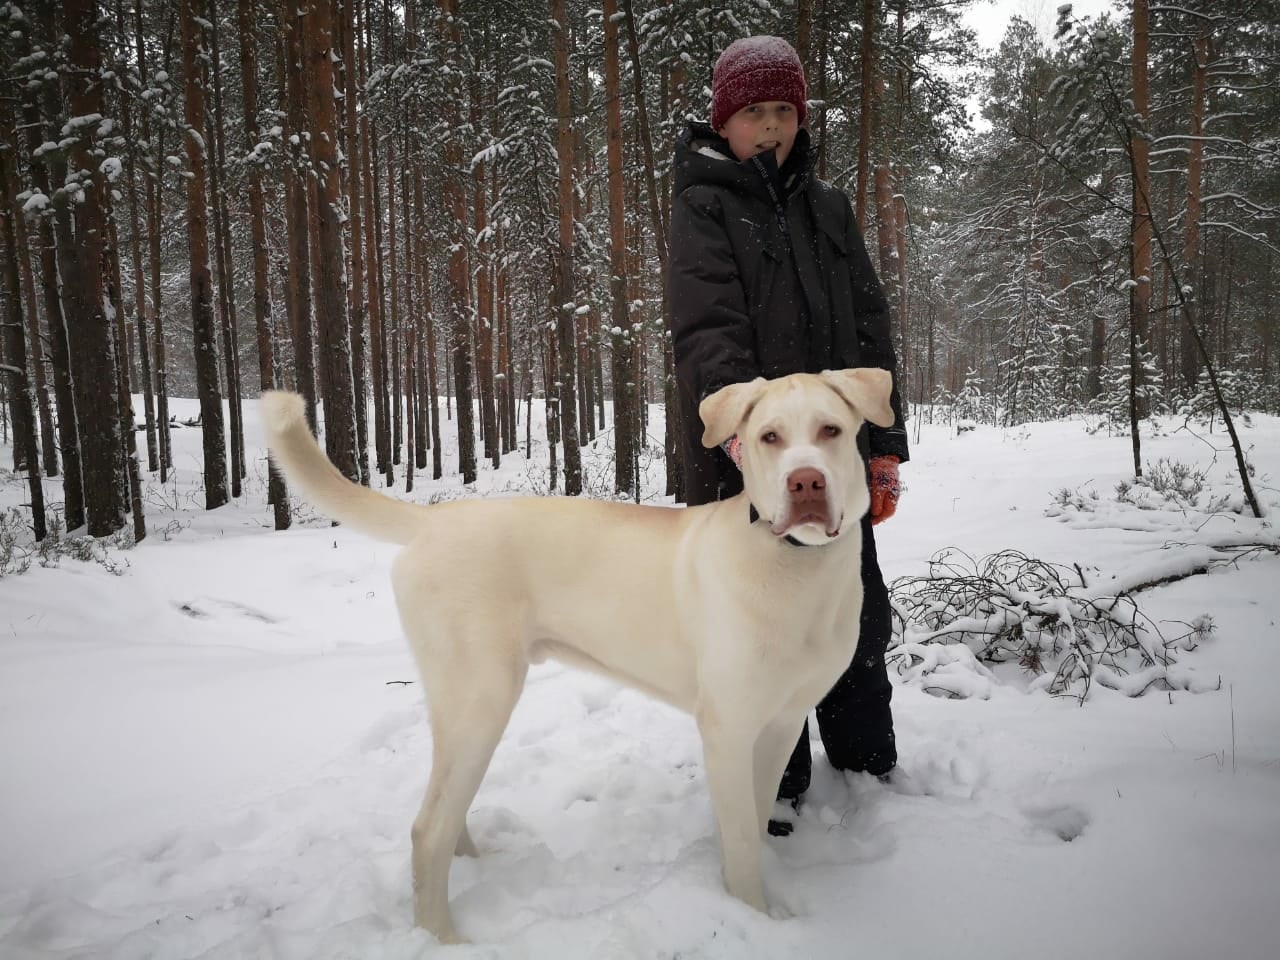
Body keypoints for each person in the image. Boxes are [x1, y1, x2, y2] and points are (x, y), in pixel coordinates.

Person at [667, 35, 909, 835]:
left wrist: (882, 451)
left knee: (855, 613)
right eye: (752, 112)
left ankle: (866, 759)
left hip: (833, 454)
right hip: (754, 461)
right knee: (760, 630)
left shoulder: (829, 207)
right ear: (724, 122)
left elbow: (870, 331)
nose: (769, 126)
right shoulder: (704, 205)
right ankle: (777, 784)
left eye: (782, 111)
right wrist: (747, 450)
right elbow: (707, 335)